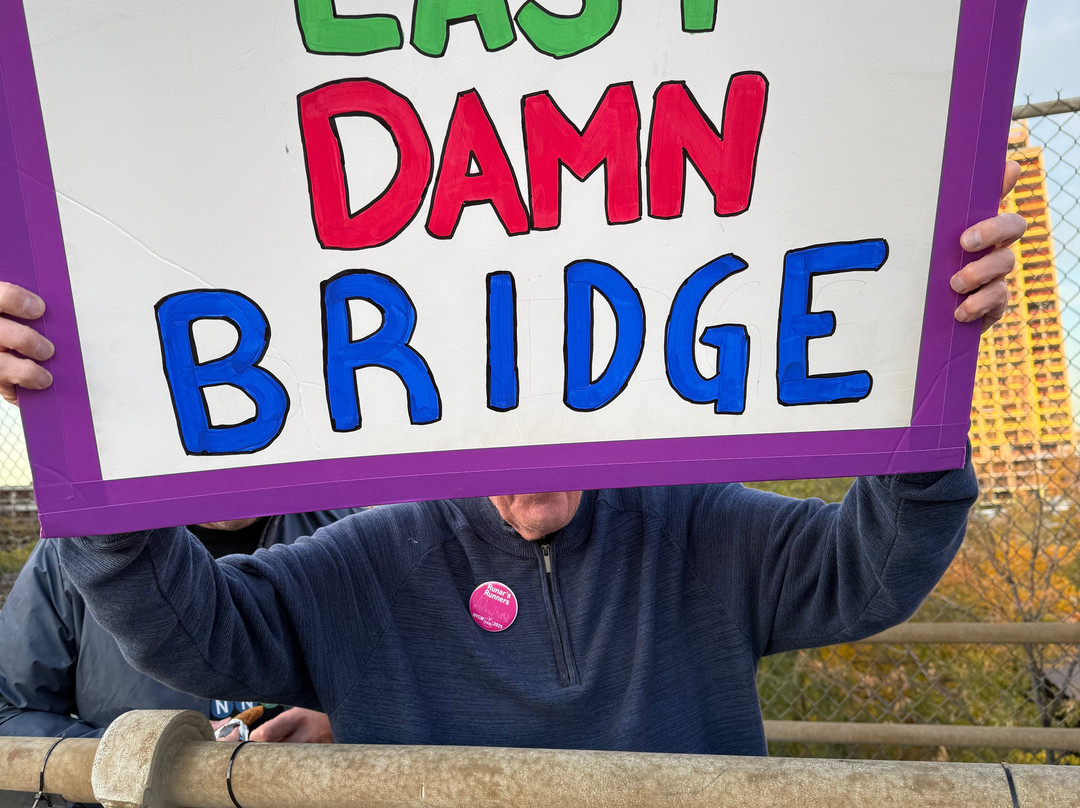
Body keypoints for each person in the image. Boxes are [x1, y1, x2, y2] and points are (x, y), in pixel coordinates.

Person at [0, 166, 1026, 753]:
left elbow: (872, 568)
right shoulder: (367, 558)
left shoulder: (706, 527)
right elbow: (196, 629)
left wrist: (925, 368)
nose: (528, 450)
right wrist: (87, 433)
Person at [0, 511, 360, 743]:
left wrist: (345, 722)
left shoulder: (351, 536)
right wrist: (148, 754)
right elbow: (10, 714)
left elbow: (408, 681)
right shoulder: (76, 550)